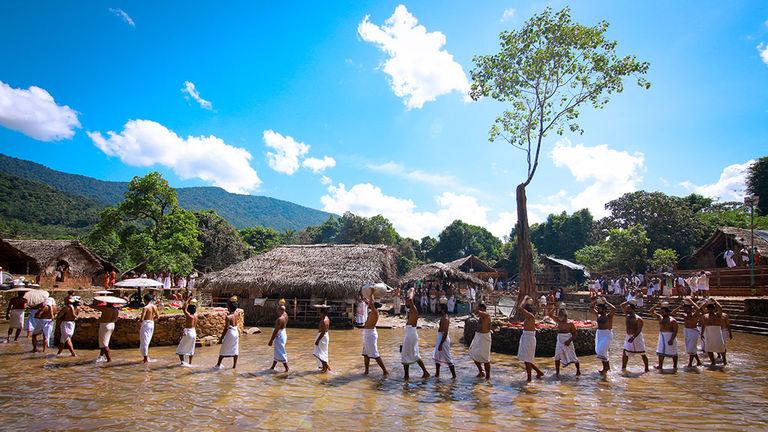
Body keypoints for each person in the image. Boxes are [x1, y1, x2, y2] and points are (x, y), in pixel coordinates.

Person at [401, 290, 430, 381]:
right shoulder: (410, 311)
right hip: (410, 334)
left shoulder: (414, 310)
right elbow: (408, 300)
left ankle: (406, 376)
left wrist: (412, 290)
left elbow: (410, 298)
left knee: (405, 355)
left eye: (406, 301)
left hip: (411, 335)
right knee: (414, 354)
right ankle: (425, 372)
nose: (405, 301)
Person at [518, 296, 544, 381]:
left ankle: (529, 378)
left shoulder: (530, 316)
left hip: (529, 338)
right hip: (526, 336)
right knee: (526, 358)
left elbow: (520, 308)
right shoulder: (528, 317)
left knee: (527, 359)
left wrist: (524, 299)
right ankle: (538, 372)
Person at [550, 306, 581, 378]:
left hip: (568, 340)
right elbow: (549, 314)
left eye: (562, 317)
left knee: (573, 356)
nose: (561, 319)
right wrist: (554, 307)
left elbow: (575, 334)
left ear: (565, 316)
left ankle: (578, 370)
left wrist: (569, 341)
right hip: (560, 340)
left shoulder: (570, 323)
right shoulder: (558, 320)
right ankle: (557, 372)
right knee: (557, 356)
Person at [361, 295, 388, 376]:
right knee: (365, 354)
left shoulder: (375, 312)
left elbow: (371, 304)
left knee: (375, 354)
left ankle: (385, 371)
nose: (368, 304)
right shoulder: (371, 311)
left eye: (370, 304)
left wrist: (371, 293)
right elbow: (368, 302)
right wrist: (365, 297)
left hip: (370, 334)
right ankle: (366, 371)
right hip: (367, 333)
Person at [620, 299, 649, 372]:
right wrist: (629, 301)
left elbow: (639, 330)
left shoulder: (639, 319)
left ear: (633, 309)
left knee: (642, 353)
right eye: (627, 308)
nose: (627, 309)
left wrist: (633, 337)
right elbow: (621, 305)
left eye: (628, 308)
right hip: (628, 336)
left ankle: (646, 368)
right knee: (625, 352)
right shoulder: (627, 315)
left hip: (637, 337)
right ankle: (623, 368)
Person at [648, 302, 679, 371]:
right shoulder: (660, 317)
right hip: (662, 336)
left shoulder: (673, 321)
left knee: (673, 352)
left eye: (663, 312)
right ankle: (660, 366)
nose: (662, 313)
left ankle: (675, 366)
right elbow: (650, 311)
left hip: (670, 336)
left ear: (668, 312)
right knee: (660, 352)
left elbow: (675, 331)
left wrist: (671, 339)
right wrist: (656, 305)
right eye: (661, 312)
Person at [673, 298, 702, 367]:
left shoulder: (695, 315)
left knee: (691, 347)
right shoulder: (684, 315)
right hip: (686, 331)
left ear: (691, 309)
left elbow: (698, 309)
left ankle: (690, 363)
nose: (686, 310)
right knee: (690, 348)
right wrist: (681, 306)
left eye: (688, 309)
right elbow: (673, 313)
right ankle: (698, 362)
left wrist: (691, 302)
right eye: (685, 309)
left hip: (693, 331)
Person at [591, 296, 616, 374]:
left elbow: (614, 309)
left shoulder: (609, 316)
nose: (598, 310)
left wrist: (606, 302)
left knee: (601, 350)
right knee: (599, 351)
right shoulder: (598, 316)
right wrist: (596, 301)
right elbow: (591, 307)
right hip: (599, 334)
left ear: (605, 309)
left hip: (607, 334)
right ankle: (606, 368)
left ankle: (606, 368)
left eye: (600, 308)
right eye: (598, 308)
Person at [216, 297, 241, 369]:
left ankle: (218, 365)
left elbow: (225, 329)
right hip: (236, 332)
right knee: (235, 348)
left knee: (223, 349)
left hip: (230, 332)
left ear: (229, 307)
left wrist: (221, 339)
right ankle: (234, 366)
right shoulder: (236, 314)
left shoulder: (228, 317)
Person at [469, 303, 492, 380]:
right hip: (478, 336)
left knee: (485, 358)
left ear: (482, 309)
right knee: (472, 353)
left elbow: (476, 311)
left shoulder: (486, 315)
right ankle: (481, 371)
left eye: (479, 308)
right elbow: (475, 311)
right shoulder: (481, 316)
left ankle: (488, 377)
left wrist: (476, 306)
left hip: (484, 337)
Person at [433, 301, 455, 378]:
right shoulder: (443, 316)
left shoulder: (445, 318)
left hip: (443, 339)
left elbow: (445, 332)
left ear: (442, 310)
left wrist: (441, 344)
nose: (437, 308)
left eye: (439, 307)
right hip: (440, 337)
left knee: (447, 357)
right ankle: (437, 374)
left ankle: (454, 376)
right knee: (437, 356)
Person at [700, 300, 727, 366]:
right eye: (709, 308)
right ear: (707, 309)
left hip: (717, 332)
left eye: (712, 308)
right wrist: (706, 303)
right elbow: (700, 309)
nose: (710, 310)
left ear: (714, 309)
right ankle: (713, 362)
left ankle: (724, 360)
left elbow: (720, 308)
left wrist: (714, 301)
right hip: (708, 332)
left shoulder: (718, 315)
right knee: (709, 348)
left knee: (721, 347)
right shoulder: (705, 316)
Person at [176, 297, 198, 366]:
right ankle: (190, 363)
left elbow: (183, 308)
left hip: (188, 332)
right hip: (193, 332)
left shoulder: (189, 316)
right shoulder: (196, 316)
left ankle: (182, 362)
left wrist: (188, 299)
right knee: (191, 348)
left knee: (180, 349)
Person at [268, 304, 289, 372]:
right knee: (278, 351)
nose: (277, 311)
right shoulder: (285, 315)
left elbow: (276, 331)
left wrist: (271, 340)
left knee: (280, 352)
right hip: (283, 333)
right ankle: (272, 367)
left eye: (278, 309)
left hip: (279, 336)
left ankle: (287, 368)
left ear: (281, 310)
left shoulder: (280, 319)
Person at [139, 294, 158, 363]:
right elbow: (157, 316)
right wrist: (151, 319)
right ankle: (145, 356)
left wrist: (139, 321)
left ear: (145, 300)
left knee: (144, 341)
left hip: (146, 324)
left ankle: (145, 358)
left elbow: (142, 318)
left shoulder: (145, 308)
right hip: (151, 323)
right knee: (147, 340)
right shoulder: (154, 307)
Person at [313, 305, 331, 372]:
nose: (319, 314)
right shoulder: (326, 318)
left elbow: (323, 332)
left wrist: (318, 340)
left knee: (319, 353)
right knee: (321, 352)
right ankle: (324, 367)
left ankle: (326, 366)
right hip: (323, 336)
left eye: (320, 313)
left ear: (322, 313)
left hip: (322, 337)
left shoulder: (324, 320)